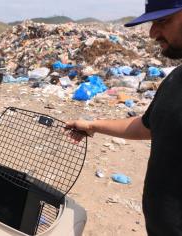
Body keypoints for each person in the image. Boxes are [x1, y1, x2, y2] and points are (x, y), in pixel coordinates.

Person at [66, 1, 182, 235]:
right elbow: (148, 126)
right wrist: (92, 125)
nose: (152, 33)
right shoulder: (175, 79)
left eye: (163, 21)